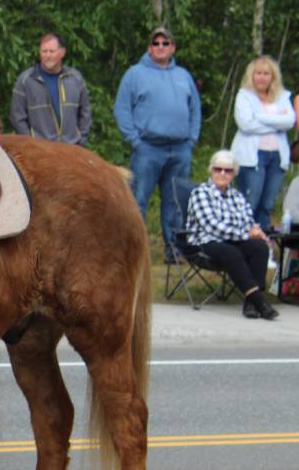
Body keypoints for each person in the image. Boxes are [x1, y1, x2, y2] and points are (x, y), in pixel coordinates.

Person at [115, 26, 202, 264]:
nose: (161, 47)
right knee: (138, 200)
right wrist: (135, 141)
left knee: (175, 202)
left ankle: (173, 250)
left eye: (165, 43)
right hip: (147, 148)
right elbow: (122, 110)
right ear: (149, 47)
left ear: (173, 47)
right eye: (156, 43)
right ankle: (135, 251)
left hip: (180, 148)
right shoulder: (135, 74)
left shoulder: (183, 75)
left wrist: (192, 139)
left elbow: (195, 109)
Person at [186, 150, 277, 320]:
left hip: (233, 241)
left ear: (234, 174)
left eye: (227, 170)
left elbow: (248, 221)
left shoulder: (238, 197)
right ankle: (259, 302)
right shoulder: (200, 193)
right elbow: (212, 226)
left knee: (260, 248)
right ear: (211, 170)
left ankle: (250, 304)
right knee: (231, 252)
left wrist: (256, 232)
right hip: (205, 241)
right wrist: (246, 233)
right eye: (217, 169)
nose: (222, 173)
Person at [229, 55, 295, 231]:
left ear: (273, 76)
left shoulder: (282, 96)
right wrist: (276, 123)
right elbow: (245, 124)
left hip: (276, 157)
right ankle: (244, 240)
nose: (262, 77)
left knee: (267, 204)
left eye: (266, 73)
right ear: (252, 75)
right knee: (250, 202)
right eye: (258, 73)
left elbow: (289, 121)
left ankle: (265, 246)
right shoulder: (244, 96)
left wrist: (260, 117)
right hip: (252, 158)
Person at [10, 32, 91, 145]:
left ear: (62, 52)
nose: (48, 56)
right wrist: (31, 143)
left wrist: (81, 140)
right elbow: (17, 117)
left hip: (72, 149)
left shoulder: (75, 79)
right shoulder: (26, 80)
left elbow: (85, 113)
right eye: (44, 51)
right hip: (40, 151)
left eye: (52, 51)